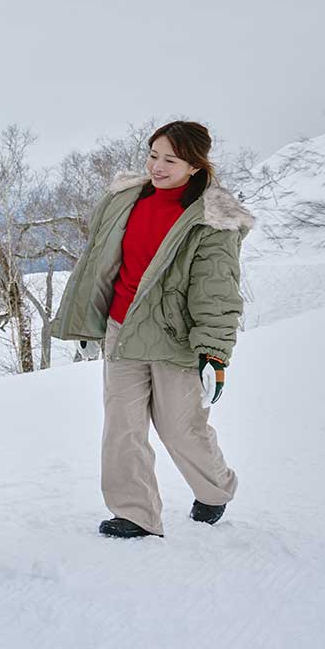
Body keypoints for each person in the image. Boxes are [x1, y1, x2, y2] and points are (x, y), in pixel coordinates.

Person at [52, 120, 253, 538]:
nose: (157, 167)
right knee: (122, 426)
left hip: (174, 338)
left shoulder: (210, 219)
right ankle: (135, 513)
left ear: (195, 166)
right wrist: (89, 320)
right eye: (153, 155)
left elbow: (215, 289)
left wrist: (213, 352)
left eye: (171, 160)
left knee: (181, 427)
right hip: (121, 330)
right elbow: (99, 264)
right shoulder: (126, 198)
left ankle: (214, 490)